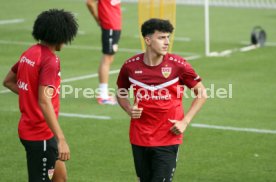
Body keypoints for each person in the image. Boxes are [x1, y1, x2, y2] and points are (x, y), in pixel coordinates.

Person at [116, 18, 207, 182]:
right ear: (148, 40)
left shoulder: (179, 65)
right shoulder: (130, 66)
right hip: (139, 137)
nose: (167, 42)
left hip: (168, 136)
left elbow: (202, 93)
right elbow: (121, 92)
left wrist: (185, 122)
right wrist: (128, 108)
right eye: (161, 38)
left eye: (168, 37)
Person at [2, 9, 78, 182]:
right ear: (61, 35)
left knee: (60, 178)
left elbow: (8, 81)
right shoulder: (50, 60)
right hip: (40, 135)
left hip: (33, 128)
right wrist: (62, 140)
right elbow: (44, 101)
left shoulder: (30, 52)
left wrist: (30, 95)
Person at [86, 0, 122, 105]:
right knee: (107, 58)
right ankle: (103, 95)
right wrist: (97, 18)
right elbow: (90, 2)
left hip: (114, 25)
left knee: (109, 58)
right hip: (109, 24)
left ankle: (104, 93)